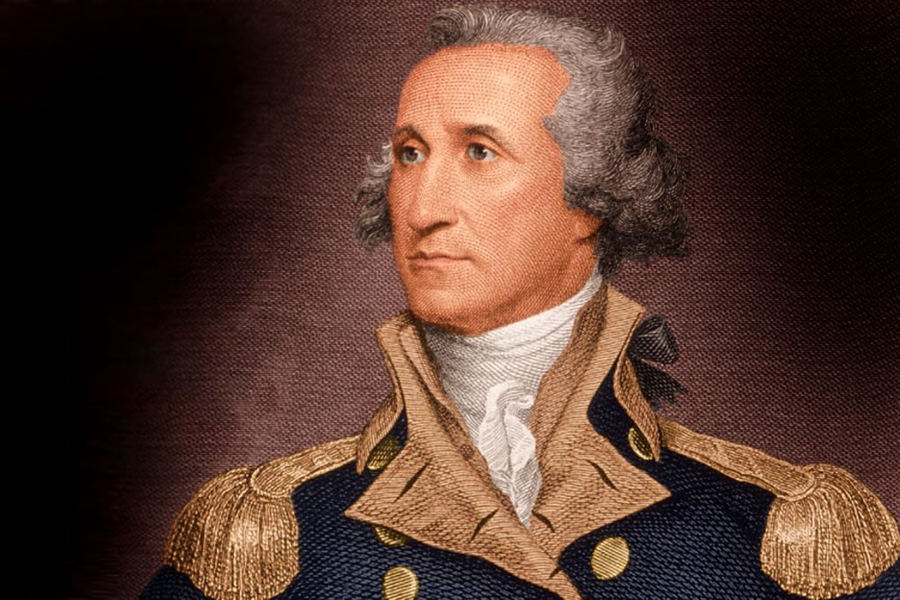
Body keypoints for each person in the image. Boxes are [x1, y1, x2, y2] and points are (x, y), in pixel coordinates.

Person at [140, 5, 898, 599]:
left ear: (592, 197)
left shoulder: (774, 535)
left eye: (480, 151)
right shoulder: (272, 539)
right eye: (410, 153)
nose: (422, 207)